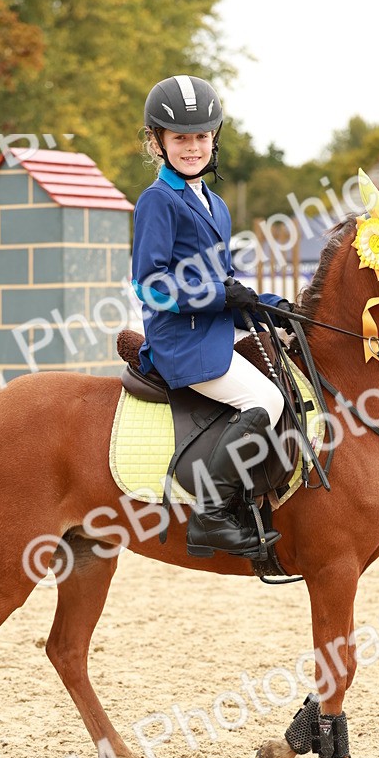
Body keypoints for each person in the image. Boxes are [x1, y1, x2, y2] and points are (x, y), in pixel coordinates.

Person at [132, 74, 294, 559]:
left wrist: (269, 307)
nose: (192, 147)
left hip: (216, 332)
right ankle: (211, 514)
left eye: (201, 137)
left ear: (214, 139)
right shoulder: (157, 201)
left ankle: (248, 501)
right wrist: (220, 297)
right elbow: (150, 285)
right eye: (180, 138)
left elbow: (227, 279)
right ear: (156, 141)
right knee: (265, 400)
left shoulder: (216, 204)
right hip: (181, 341)